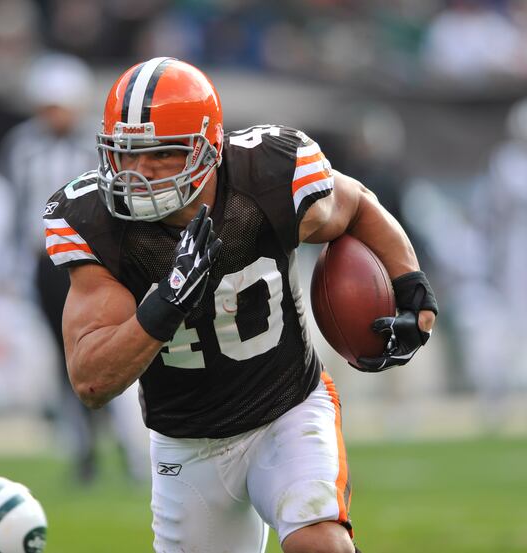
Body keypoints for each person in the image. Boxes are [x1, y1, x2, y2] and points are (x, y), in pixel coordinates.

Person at [42, 57, 438, 553]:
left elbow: (354, 202)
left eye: (161, 153)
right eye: (125, 153)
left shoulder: (266, 175)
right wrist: (163, 306)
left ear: (208, 148)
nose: (137, 173)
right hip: (186, 443)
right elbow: (92, 381)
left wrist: (411, 285)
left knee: (321, 544)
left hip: (287, 409)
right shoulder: (95, 221)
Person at [0, 52, 148, 483]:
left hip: (98, 262)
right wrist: (12, 270)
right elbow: (14, 211)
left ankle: (132, 447)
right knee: (66, 361)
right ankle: (82, 450)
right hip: (47, 265)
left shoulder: (98, 144)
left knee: (116, 349)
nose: (54, 113)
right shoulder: (22, 147)